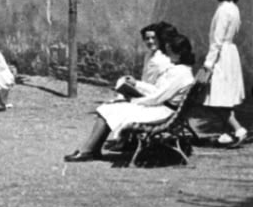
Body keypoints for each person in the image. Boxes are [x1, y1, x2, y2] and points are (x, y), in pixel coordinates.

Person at [64, 34, 197, 162]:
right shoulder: (180, 70)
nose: (166, 55)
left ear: (179, 53)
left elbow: (158, 97)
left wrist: (134, 101)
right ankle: (91, 150)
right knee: (110, 107)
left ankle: (89, 150)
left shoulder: (180, 74)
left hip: (162, 112)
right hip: (162, 108)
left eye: (169, 52)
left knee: (109, 109)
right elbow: (159, 92)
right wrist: (136, 85)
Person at [196, 0, 247, 147]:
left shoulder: (224, 10)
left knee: (216, 98)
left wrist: (208, 65)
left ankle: (239, 129)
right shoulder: (233, 7)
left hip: (221, 57)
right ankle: (226, 133)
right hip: (230, 53)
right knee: (223, 97)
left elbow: (217, 42)